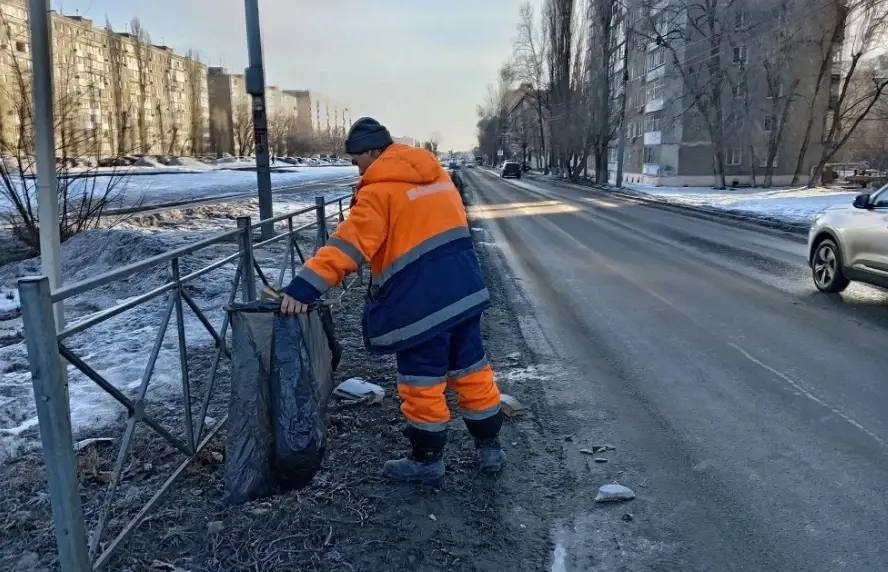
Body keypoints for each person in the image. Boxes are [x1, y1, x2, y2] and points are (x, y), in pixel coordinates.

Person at [280, 117, 505, 484]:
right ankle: (490, 448)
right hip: (464, 291)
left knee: (422, 381)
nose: (358, 169)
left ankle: (426, 461)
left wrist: (304, 289)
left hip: (421, 302)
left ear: (372, 152)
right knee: (472, 371)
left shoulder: (380, 192)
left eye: (357, 161)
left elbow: (347, 246)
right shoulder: (437, 177)